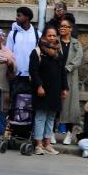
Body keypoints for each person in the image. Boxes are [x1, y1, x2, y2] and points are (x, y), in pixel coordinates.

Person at [28, 24, 67, 155]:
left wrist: (64, 88)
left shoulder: (58, 52)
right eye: (49, 35)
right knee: (40, 116)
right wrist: (39, 85)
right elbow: (33, 71)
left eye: (54, 35)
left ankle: (47, 143)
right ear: (44, 36)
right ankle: (38, 144)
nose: (51, 38)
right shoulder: (37, 52)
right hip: (42, 89)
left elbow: (62, 71)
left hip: (55, 90)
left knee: (51, 117)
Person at [57, 13, 84, 144]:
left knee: (70, 107)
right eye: (61, 26)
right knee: (55, 105)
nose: (62, 28)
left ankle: (69, 133)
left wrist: (68, 67)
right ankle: (50, 132)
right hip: (55, 77)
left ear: (70, 29)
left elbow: (78, 59)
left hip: (70, 78)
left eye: (65, 26)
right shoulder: (55, 41)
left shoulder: (76, 44)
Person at [6, 6, 37, 80]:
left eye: (19, 15)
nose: (16, 18)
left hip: (32, 76)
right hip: (16, 76)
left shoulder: (37, 35)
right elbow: (8, 53)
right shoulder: (13, 34)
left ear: (27, 17)